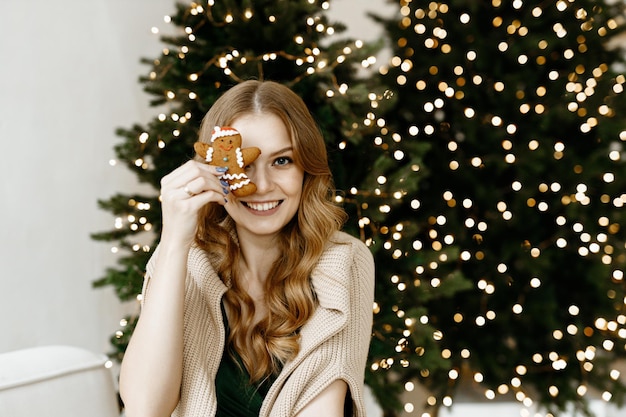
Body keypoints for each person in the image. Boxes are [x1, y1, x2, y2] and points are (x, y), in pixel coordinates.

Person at [119, 80, 375, 417]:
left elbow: (323, 409)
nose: (262, 186)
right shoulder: (183, 259)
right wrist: (174, 244)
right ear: (213, 170)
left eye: (282, 161)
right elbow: (144, 408)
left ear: (305, 169)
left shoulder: (345, 262)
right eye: (244, 165)